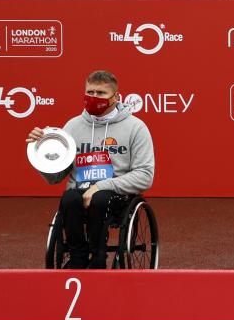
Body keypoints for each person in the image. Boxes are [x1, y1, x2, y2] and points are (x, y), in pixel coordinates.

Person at [27, 70, 155, 268]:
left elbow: (145, 176)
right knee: (69, 198)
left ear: (115, 97)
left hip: (116, 193)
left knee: (100, 199)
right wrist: (41, 152)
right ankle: (77, 258)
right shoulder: (73, 126)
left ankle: (97, 257)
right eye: (90, 92)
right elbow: (55, 177)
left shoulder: (136, 127)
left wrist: (102, 185)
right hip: (79, 190)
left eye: (101, 93)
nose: (94, 98)